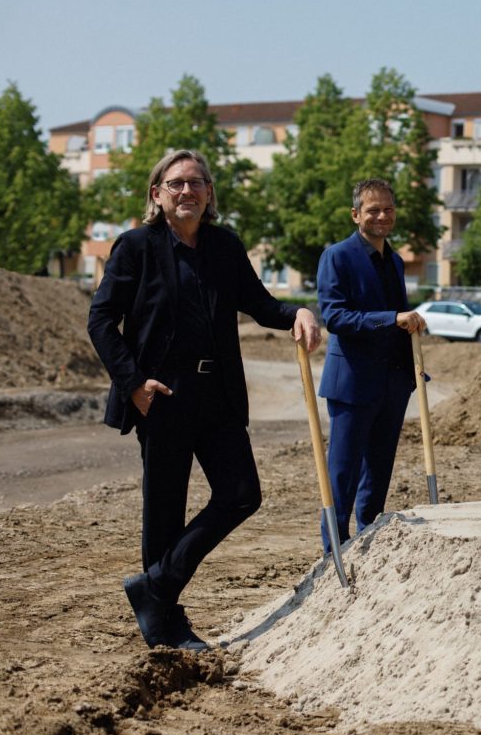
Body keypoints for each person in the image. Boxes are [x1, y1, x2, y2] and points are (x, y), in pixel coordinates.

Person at [88, 149, 321, 651]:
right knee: (164, 513)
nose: (187, 191)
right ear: (157, 194)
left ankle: (154, 589)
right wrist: (133, 383)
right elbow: (101, 320)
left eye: (197, 183)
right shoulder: (135, 247)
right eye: (176, 184)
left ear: (210, 193)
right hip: (162, 396)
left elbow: (260, 304)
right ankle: (166, 623)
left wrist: (297, 312)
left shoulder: (224, 246)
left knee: (241, 494)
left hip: (217, 396)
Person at [316, 179, 426, 550]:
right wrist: (391, 318)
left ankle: (368, 543)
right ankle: (334, 552)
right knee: (343, 473)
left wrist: (409, 338)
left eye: (388, 210)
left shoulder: (394, 260)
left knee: (378, 472)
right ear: (356, 214)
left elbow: (396, 317)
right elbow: (335, 317)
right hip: (352, 381)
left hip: (392, 383)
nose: (382, 216)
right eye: (373, 210)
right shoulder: (337, 256)